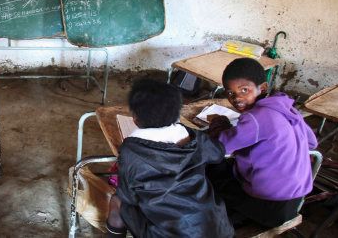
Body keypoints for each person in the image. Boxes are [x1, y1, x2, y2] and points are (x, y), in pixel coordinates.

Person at [107, 79, 234, 238]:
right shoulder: (194, 138)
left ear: (135, 119)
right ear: (177, 115)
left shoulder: (131, 151)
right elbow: (218, 153)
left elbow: (128, 196)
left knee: (117, 203)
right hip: (217, 230)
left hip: (170, 234)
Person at [208, 58, 318, 228]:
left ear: (263, 87)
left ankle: (225, 219)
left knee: (212, 170)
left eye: (244, 90)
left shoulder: (255, 118)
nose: (236, 98)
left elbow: (220, 147)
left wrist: (218, 124)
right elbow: (311, 142)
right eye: (230, 93)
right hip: (294, 202)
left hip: (269, 207)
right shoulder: (286, 107)